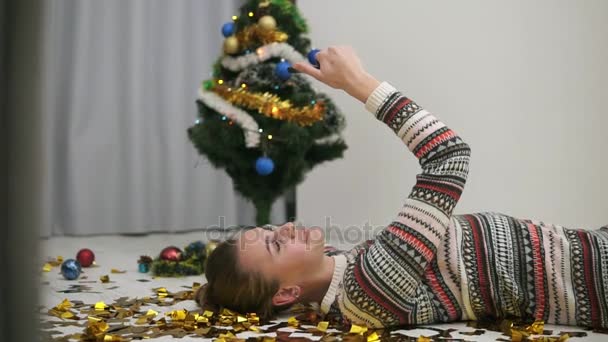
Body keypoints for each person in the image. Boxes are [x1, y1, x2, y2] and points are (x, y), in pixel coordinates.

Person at [197, 46, 608, 329]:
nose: (284, 228)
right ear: (287, 292)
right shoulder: (367, 291)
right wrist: (358, 82)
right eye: (274, 245)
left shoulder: (339, 270)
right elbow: (449, 157)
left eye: (270, 230)